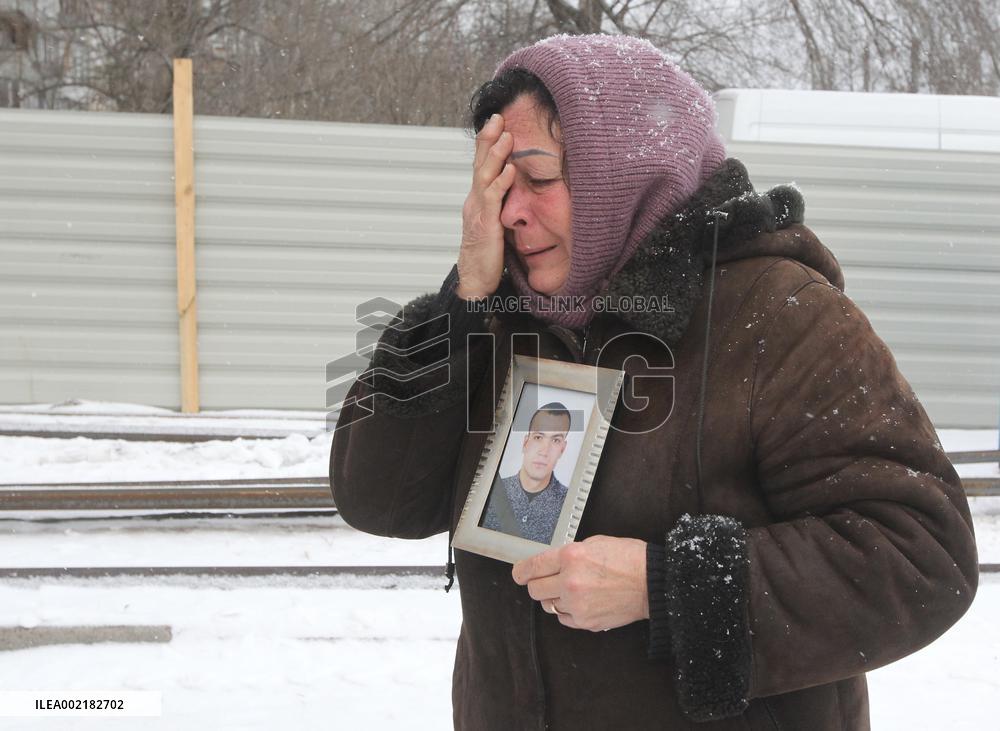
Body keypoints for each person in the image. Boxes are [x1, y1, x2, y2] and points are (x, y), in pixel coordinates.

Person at [330, 34, 978, 730]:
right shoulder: (498, 316)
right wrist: (462, 302)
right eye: (498, 184)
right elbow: (377, 498)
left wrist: (668, 585)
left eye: (539, 180)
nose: (510, 213)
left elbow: (923, 550)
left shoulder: (778, 315)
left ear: (622, 171)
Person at [481, 402, 571, 543]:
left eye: (555, 440)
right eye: (538, 437)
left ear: (562, 449)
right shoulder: (489, 491)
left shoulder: (569, 506)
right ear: (525, 443)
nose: (544, 451)